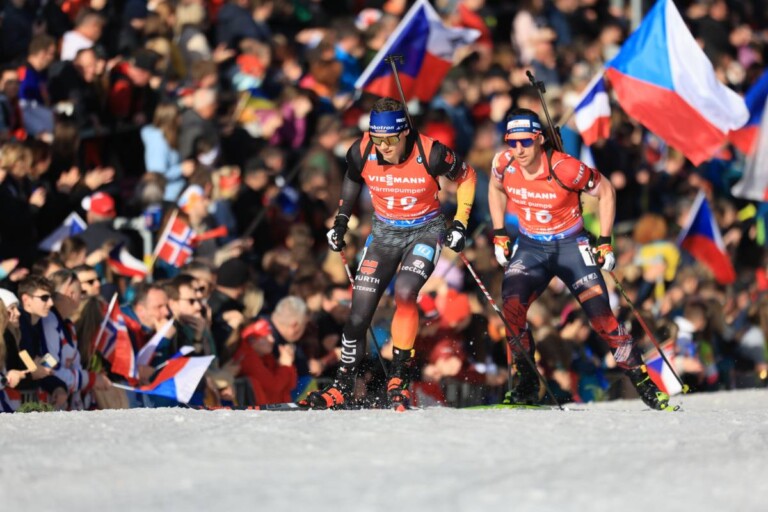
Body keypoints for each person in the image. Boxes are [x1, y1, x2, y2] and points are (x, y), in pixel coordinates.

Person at [487, 108, 671, 410]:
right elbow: (495, 189)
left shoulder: (565, 167)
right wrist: (499, 233)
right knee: (511, 307)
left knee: (601, 316)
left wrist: (605, 241)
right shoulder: (503, 163)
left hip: (570, 246)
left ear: (539, 139)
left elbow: (606, 191)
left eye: (526, 142)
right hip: (531, 247)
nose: (519, 149)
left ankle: (644, 382)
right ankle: (528, 381)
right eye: (512, 142)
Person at [301, 97, 477, 410]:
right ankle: (342, 386)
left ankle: (399, 377)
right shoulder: (361, 149)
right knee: (359, 312)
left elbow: (467, 176)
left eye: (391, 140)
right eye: (377, 139)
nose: (383, 147)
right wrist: (340, 222)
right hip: (384, 233)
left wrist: (461, 223)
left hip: (425, 230)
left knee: (406, 291)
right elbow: (352, 178)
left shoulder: (431, 152)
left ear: (405, 132)